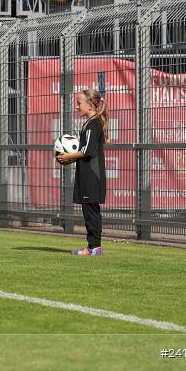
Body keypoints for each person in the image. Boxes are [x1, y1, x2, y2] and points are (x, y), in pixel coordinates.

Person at [56, 88, 109, 256]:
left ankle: (94, 247)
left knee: (91, 212)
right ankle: (94, 246)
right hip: (87, 176)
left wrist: (69, 157)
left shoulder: (94, 124)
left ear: (91, 105)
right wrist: (69, 159)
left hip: (92, 177)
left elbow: (87, 151)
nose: (77, 107)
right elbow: (85, 151)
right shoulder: (90, 123)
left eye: (79, 103)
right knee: (90, 211)